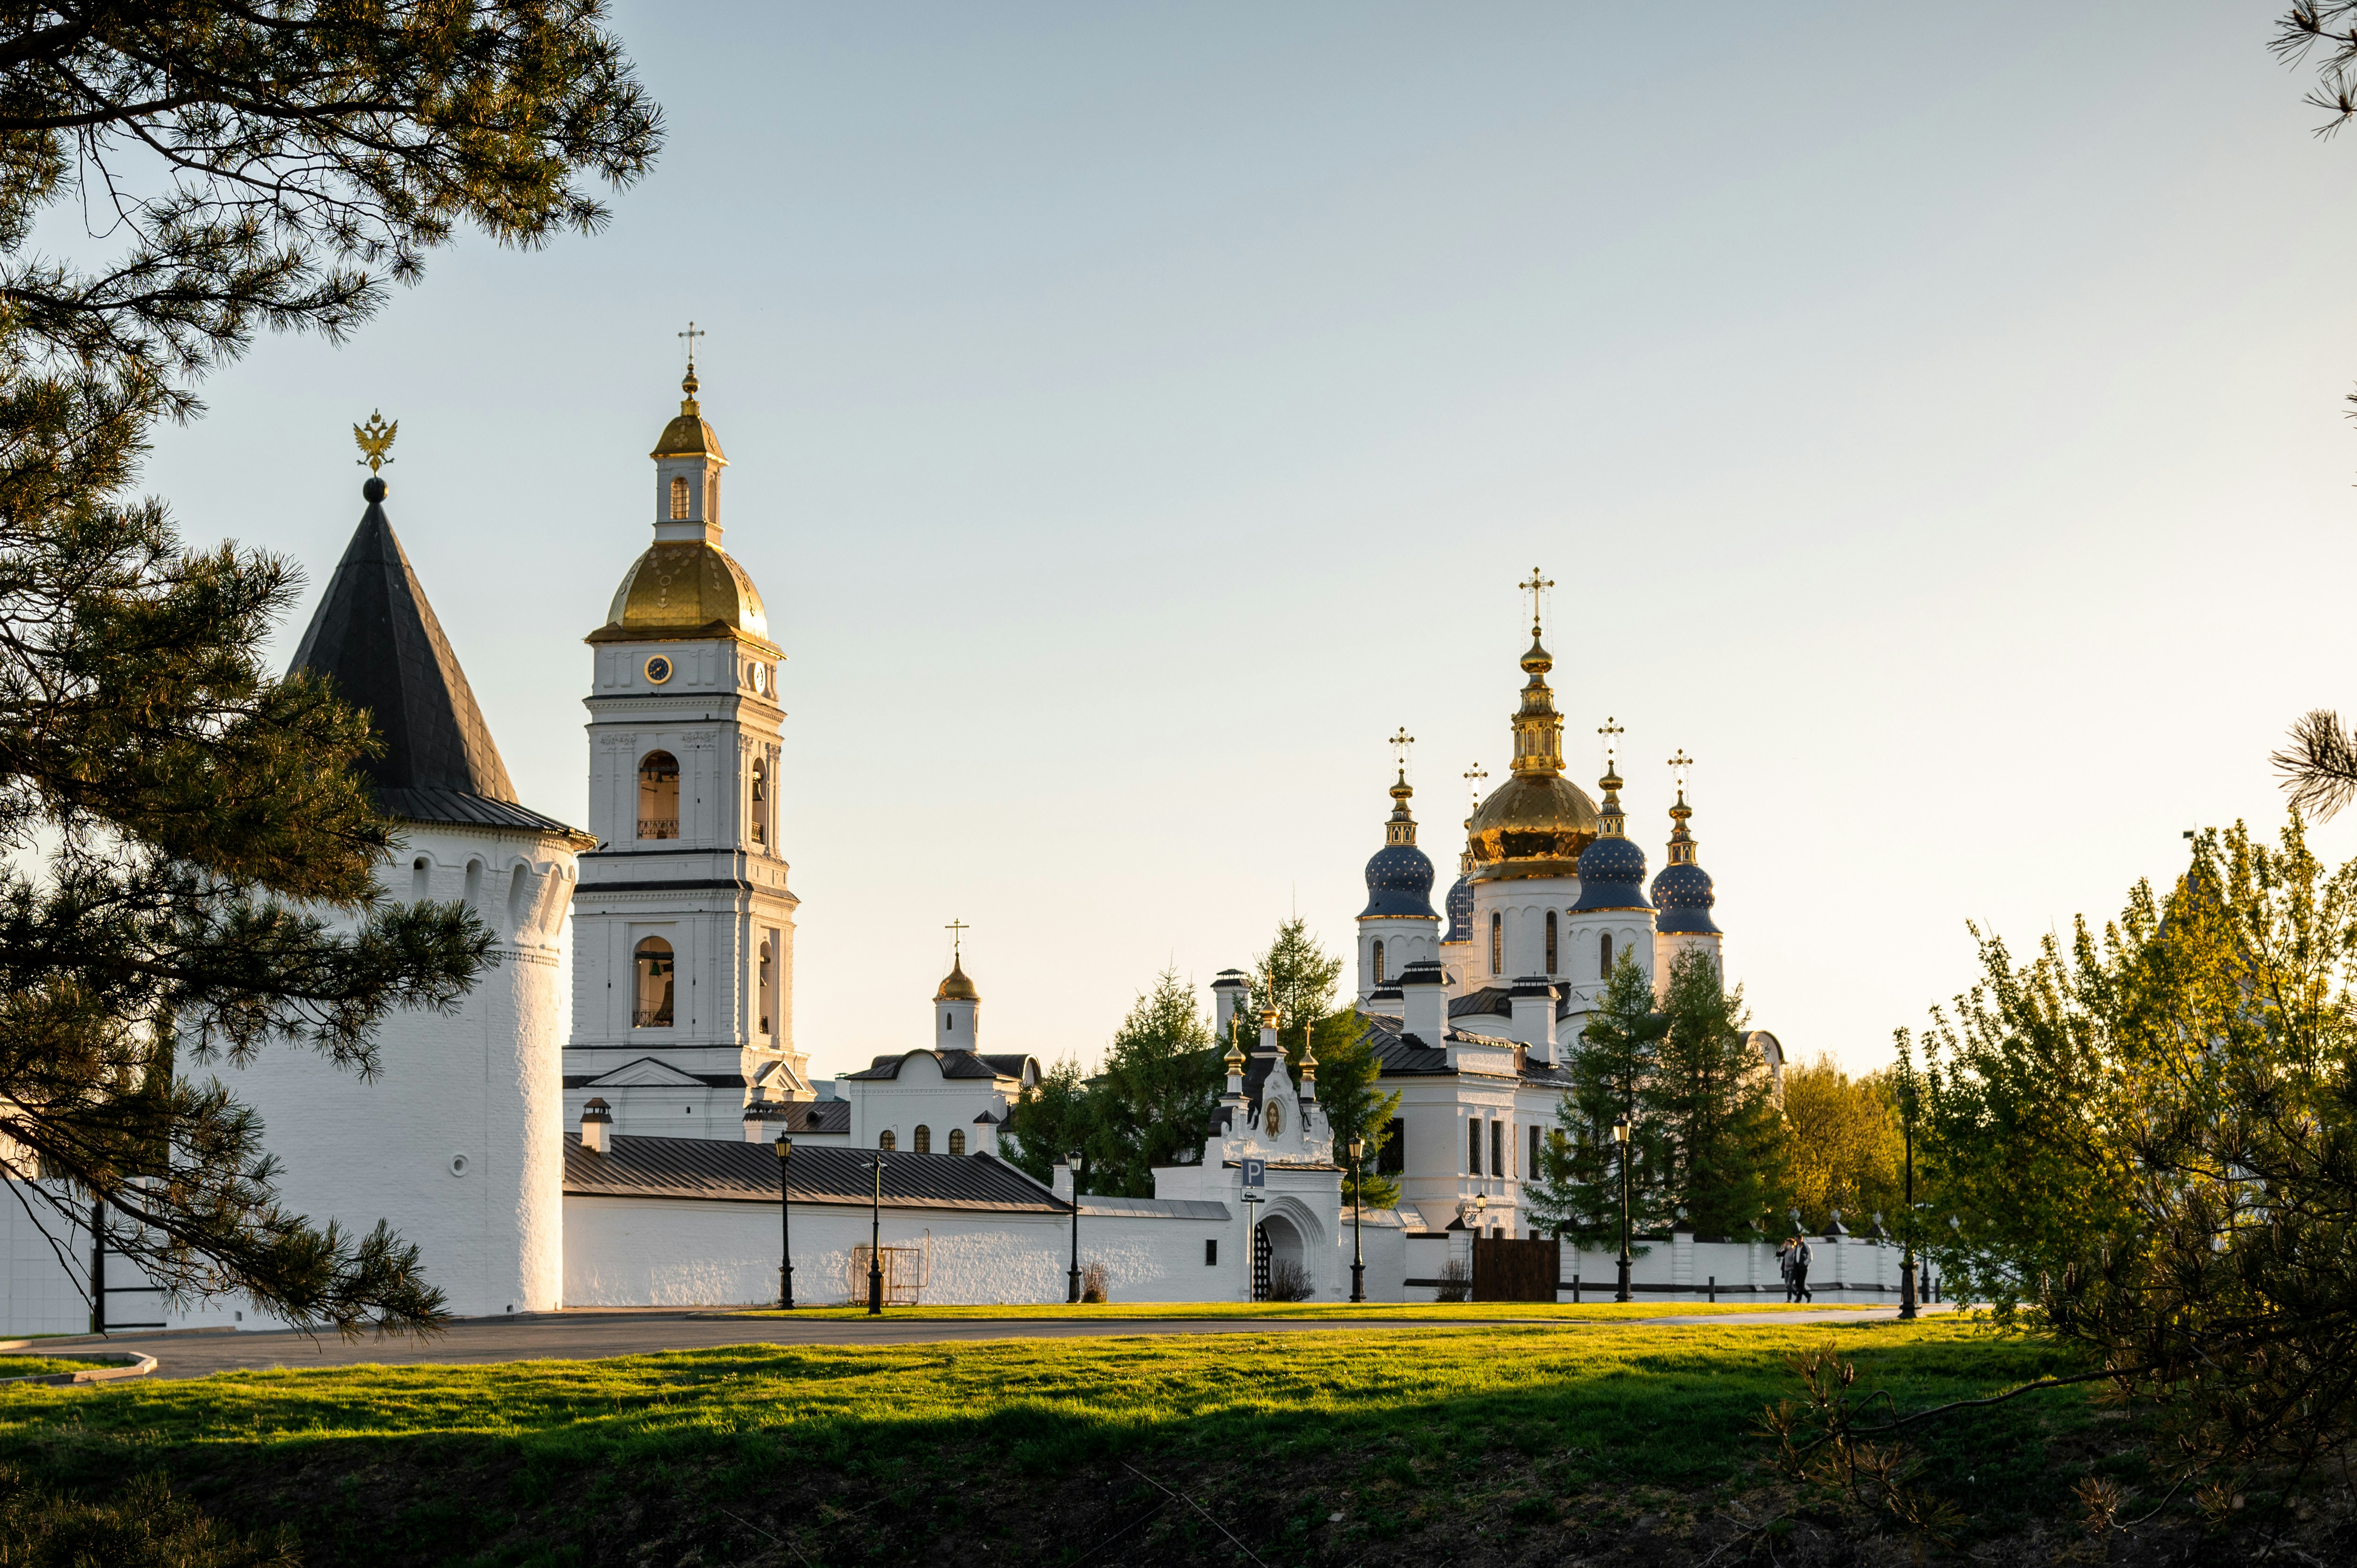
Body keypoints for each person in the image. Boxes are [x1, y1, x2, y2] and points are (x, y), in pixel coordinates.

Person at [1790, 1236, 1814, 1303]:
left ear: (1801, 1239)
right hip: (1797, 1268)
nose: (1796, 1241)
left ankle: (1798, 1299)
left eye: (1797, 1240)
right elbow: (1795, 1257)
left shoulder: (1807, 1247)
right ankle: (1808, 1295)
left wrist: (1804, 1264)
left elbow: (1810, 1258)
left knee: (1802, 1283)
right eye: (1795, 1240)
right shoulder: (1796, 1247)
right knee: (1797, 1284)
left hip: (1804, 1268)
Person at [1776, 1237, 1795, 1302]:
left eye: (1788, 1243)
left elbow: (1795, 1261)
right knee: (1787, 1286)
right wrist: (1783, 1247)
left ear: (1792, 1244)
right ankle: (1795, 1293)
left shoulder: (1794, 1251)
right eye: (1786, 1243)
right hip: (1786, 1270)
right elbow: (1778, 1254)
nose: (1787, 1244)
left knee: (1789, 1284)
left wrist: (1790, 1264)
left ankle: (1789, 1300)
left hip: (1791, 1270)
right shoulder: (1786, 1251)